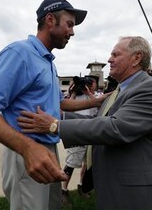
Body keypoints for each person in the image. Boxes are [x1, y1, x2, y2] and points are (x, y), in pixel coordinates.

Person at [17, 36, 152, 210]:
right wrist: (59, 117)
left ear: (136, 58)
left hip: (141, 194)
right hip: (118, 188)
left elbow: (116, 128)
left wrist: (55, 126)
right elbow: (99, 122)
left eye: (116, 54)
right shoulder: (121, 90)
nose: (110, 59)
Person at [0, 0, 105, 210]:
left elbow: (61, 103)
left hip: (47, 148)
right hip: (25, 149)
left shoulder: (49, 63)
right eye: (69, 24)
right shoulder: (19, 53)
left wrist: (102, 99)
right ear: (50, 20)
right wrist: (28, 149)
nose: (72, 32)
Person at [61, 76, 98, 206]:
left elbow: (100, 105)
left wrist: (89, 93)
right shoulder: (74, 97)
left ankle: (82, 187)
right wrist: (74, 93)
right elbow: (66, 107)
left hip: (90, 134)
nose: (88, 85)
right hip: (76, 133)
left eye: (90, 83)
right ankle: (63, 191)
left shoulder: (97, 96)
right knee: (71, 164)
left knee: (87, 164)